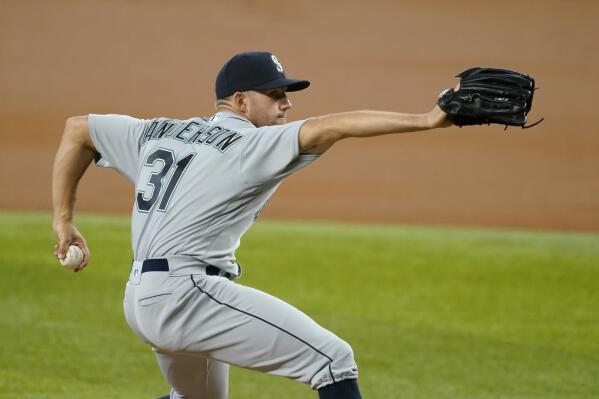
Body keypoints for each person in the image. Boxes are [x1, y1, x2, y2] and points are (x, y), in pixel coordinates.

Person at [52, 51, 451, 399]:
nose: (286, 104)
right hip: (185, 297)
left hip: (141, 298)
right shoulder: (250, 144)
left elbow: (77, 130)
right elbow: (332, 126)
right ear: (241, 101)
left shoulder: (159, 132)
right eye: (275, 94)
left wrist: (64, 221)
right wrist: (427, 120)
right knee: (334, 361)